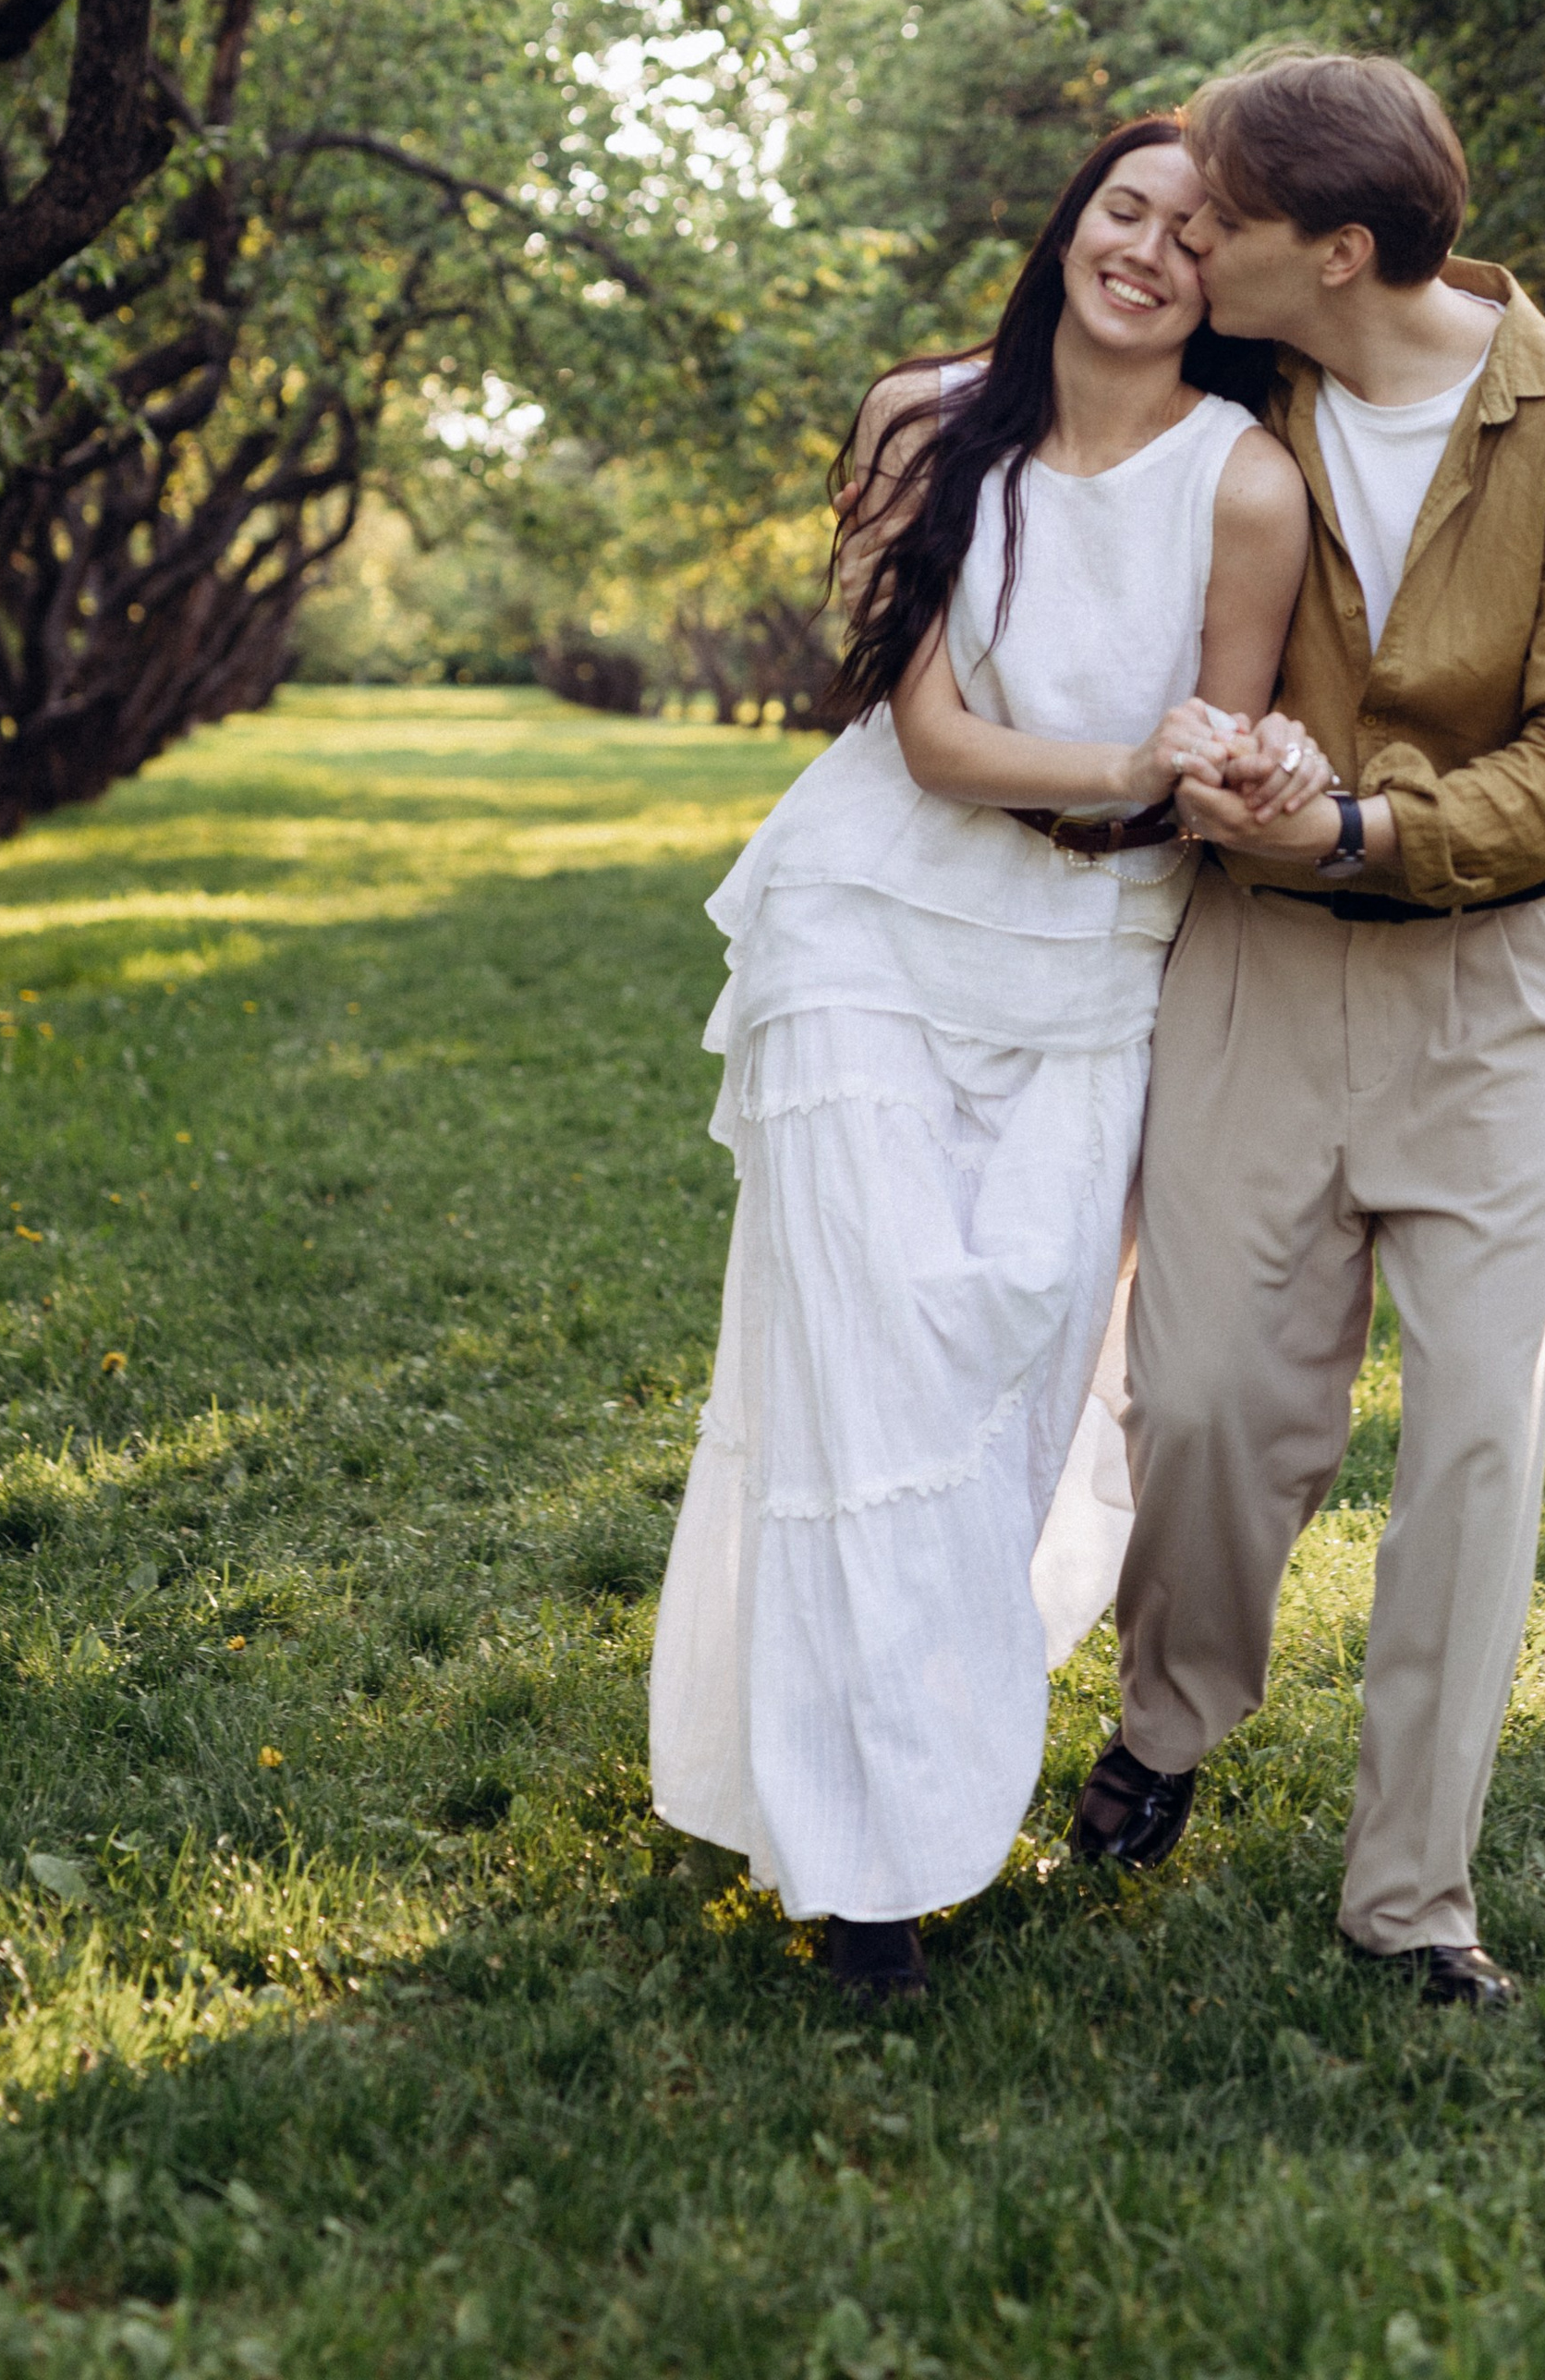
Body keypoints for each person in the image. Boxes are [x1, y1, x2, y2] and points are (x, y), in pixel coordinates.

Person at [650, 116, 1326, 2002]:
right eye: (1123, 209)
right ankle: (871, 1881)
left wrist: (1211, 780)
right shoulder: (925, 419)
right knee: (869, 1366)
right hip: (864, 923)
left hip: (1091, 963)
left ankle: (888, 1760)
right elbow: (931, 738)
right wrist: (1132, 771)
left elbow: (1226, 746)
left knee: (1005, 1355)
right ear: (1065, 224)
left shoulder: (1244, 485)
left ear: (1230, 284)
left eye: (1194, 239)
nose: (1146, 252)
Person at [1069, 49, 1545, 2012]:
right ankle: (1168, 1723)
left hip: (1490, 994)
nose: (1184, 235)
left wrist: (1366, 825)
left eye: (1215, 213)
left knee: (1477, 1447)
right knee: (1218, 1399)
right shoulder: (1238, 391)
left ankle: (1411, 1896)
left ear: (1331, 251)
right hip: (1251, 965)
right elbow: (1046, 443)